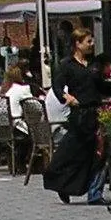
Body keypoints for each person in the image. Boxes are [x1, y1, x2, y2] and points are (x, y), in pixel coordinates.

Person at [44, 31, 103, 202]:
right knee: (71, 152)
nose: (92, 44)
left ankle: (94, 193)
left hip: (96, 111)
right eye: (88, 41)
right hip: (80, 114)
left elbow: (100, 85)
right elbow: (57, 86)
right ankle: (61, 184)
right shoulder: (67, 64)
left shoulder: (93, 64)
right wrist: (66, 97)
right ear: (77, 43)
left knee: (98, 153)